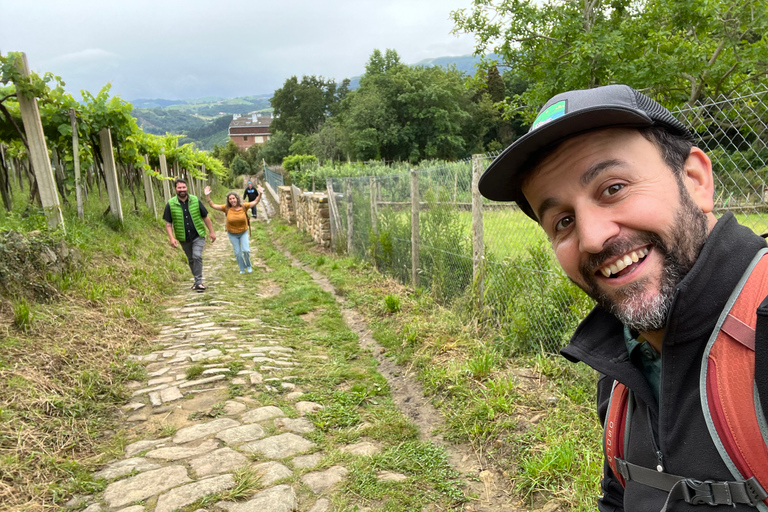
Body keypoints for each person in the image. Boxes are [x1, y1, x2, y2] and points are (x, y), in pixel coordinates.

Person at [478, 84, 768, 512]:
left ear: (695, 181)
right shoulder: (621, 357)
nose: (593, 238)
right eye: (562, 221)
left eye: (613, 188)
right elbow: (620, 494)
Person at [163, 178, 216, 291]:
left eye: (184, 187)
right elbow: (168, 224)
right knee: (191, 259)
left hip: (198, 234)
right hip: (183, 237)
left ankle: (198, 282)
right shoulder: (171, 204)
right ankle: (197, 281)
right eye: (179, 188)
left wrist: (211, 231)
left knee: (197, 256)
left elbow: (205, 217)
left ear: (187, 188)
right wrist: (171, 238)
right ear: (175, 189)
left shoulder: (195, 200)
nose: (182, 190)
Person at [204, 185, 256, 274]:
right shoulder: (226, 208)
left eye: (233, 198)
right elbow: (213, 205)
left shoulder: (244, 206)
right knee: (238, 253)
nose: (232, 200)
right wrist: (207, 196)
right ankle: (242, 268)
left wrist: (261, 194)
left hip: (243, 232)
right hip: (232, 233)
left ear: (237, 198)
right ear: (228, 201)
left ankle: (249, 265)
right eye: (230, 199)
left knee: (246, 250)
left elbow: (255, 202)